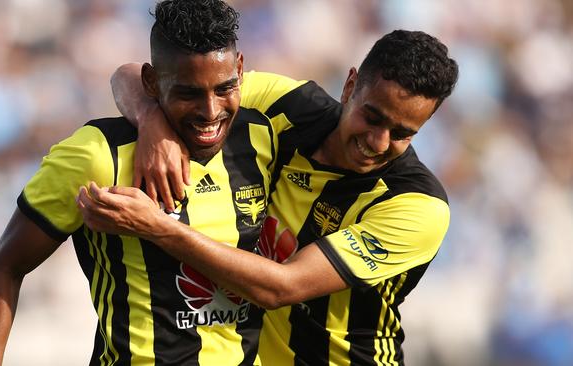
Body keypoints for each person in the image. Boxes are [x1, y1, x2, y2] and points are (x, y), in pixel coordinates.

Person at [0, 0, 339, 364]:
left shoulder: (263, 138)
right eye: (188, 93)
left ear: (240, 70)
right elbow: (4, 267)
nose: (210, 112)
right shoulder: (98, 155)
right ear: (151, 81)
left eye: (224, 89)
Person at [77, 30, 459, 365]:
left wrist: (159, 229)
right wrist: (150, 120)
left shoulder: (417, 205)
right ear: (350, 86)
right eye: (372, 117)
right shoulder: (288, 105)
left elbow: (281, 288)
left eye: (402, 133)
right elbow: (132, 74)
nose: (377, 142)